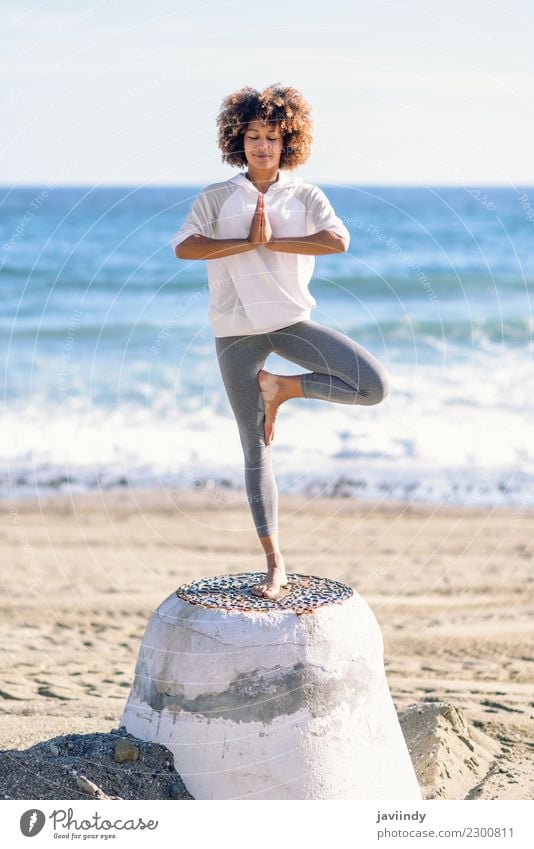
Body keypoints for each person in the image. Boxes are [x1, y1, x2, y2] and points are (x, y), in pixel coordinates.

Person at [171, 83, 390, 599]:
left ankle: (286, 389)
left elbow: (338, 239)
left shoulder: (305, 195)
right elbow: (185, 248)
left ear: (288, 140)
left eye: (272, 136)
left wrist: (271, 241)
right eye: (253, 136)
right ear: (237, 140)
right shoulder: (217, 197)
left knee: (372, 385)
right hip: (235, 331)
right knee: (255, 450)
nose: (262, 146)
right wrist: (244, 242)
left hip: (290, 322)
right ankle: (275, 563)